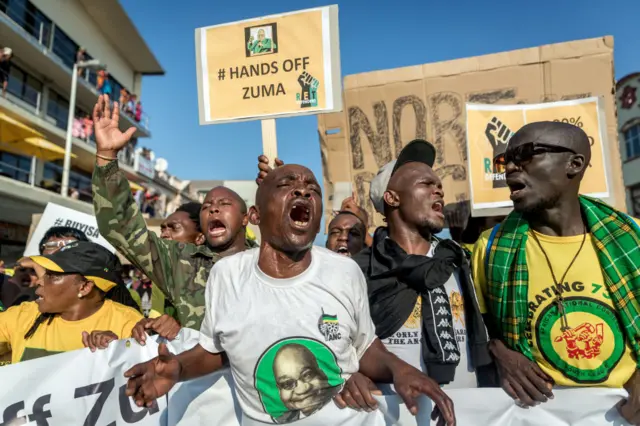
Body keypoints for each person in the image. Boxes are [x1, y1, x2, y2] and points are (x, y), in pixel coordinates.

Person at [123, 164, 456, 426]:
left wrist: (400, 370)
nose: (303, 189)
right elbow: (216, 349)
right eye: (286, 185)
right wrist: (178, 368)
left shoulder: (345, 272)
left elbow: (365, 346)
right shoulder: (226, 276)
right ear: (255, 215)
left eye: (312, 188)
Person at [471, 121, 640, 423]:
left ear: (574, 164)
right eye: (504, 159)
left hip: (625, 414)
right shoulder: (492, 248)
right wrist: (499, 352)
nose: (509, 167)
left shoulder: (632, 239)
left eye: (524, 154)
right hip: (536, 414)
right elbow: (479, 331)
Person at [91, 95, 254, 329]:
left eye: (224, 204)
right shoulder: (180, 261)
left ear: (246, 218)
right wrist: (107, 158)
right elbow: (122, 227)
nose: (214, 208)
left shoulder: (269, 262)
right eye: (207, 206)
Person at [350, 140, 492, 396]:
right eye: (426, 184)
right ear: (392, 198)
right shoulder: (358, 270)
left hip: (469, 412)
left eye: (438, 185)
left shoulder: (460, 261)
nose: (438, 191)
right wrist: (350, 375)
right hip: (393, 415)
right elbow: (339, 344)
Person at [0, 241, 142, 364]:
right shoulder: (23, 315)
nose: (40, 280)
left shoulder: (127, 324)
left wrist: (121, 351)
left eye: (52, 276)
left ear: (85, 287)